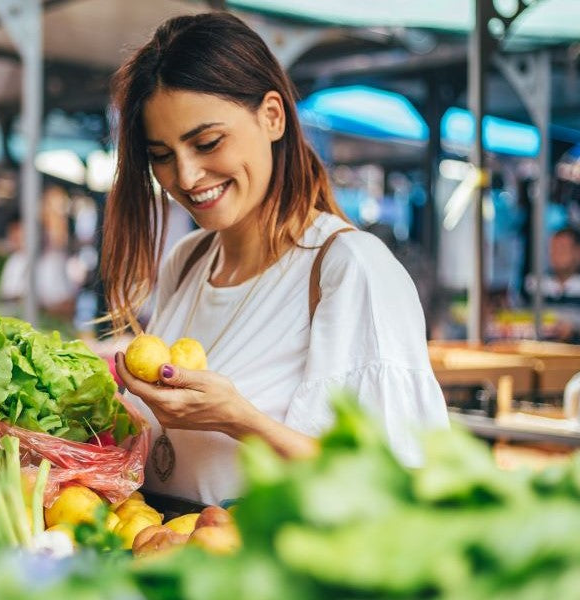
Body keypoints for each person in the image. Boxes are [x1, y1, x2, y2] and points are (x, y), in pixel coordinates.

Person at [101, 13, 448, 504]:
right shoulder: (188, 260)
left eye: (207, 143)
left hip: (268, 569)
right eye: (161, 154)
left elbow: (400, 484)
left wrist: (240, 420)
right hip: (164, 550)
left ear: (272, 116)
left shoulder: (350, 267)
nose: (187, 175)